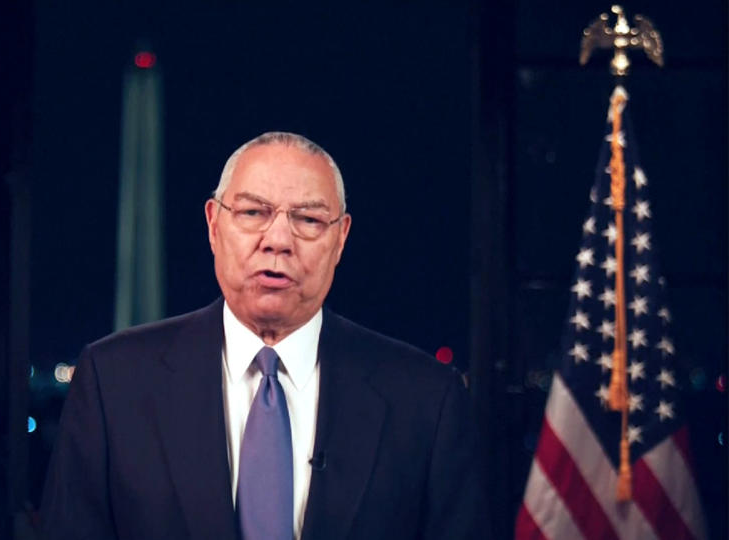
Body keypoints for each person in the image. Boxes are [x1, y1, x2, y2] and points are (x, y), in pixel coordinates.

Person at [41, 132, 488, 539]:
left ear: (341, 239)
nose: (278, 240)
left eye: (309, 220)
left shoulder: (428, 399)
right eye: (254, 213)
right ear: (214, 225)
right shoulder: (113, 381)